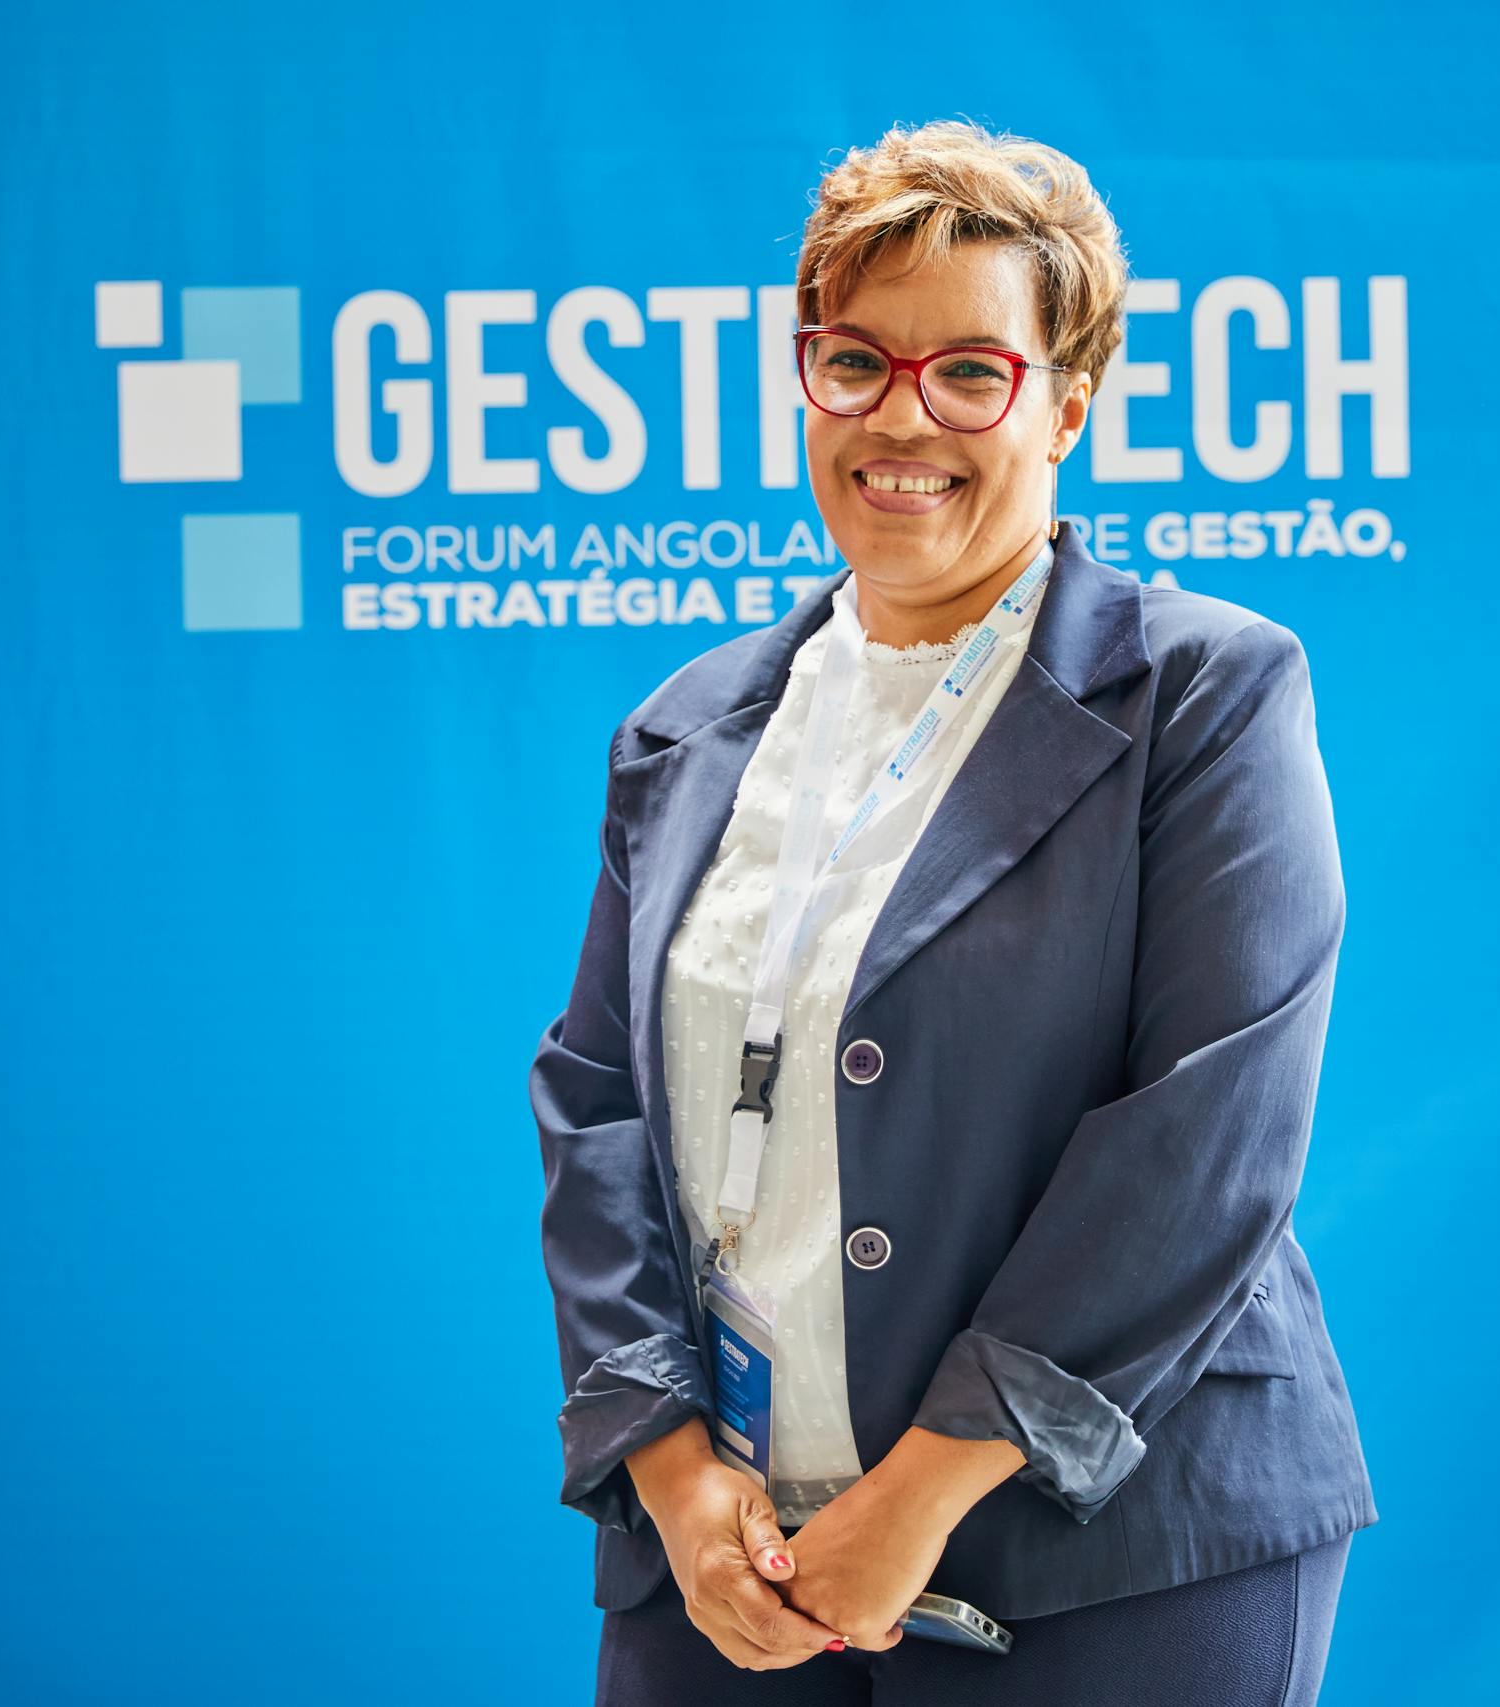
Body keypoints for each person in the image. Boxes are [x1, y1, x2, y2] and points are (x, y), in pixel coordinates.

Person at [531, 118, 1377, 1705]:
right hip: (726, 1570)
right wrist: (667, 1467)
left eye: (971, 371)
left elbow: (1205, 1135)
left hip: (1111, 1548)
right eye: (856, 361)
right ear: (804, 380)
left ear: (1067, 401)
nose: (902, 416)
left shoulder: (1204, 694)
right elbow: (595, 1110)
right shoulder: (686, 726)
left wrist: (924, 1483)